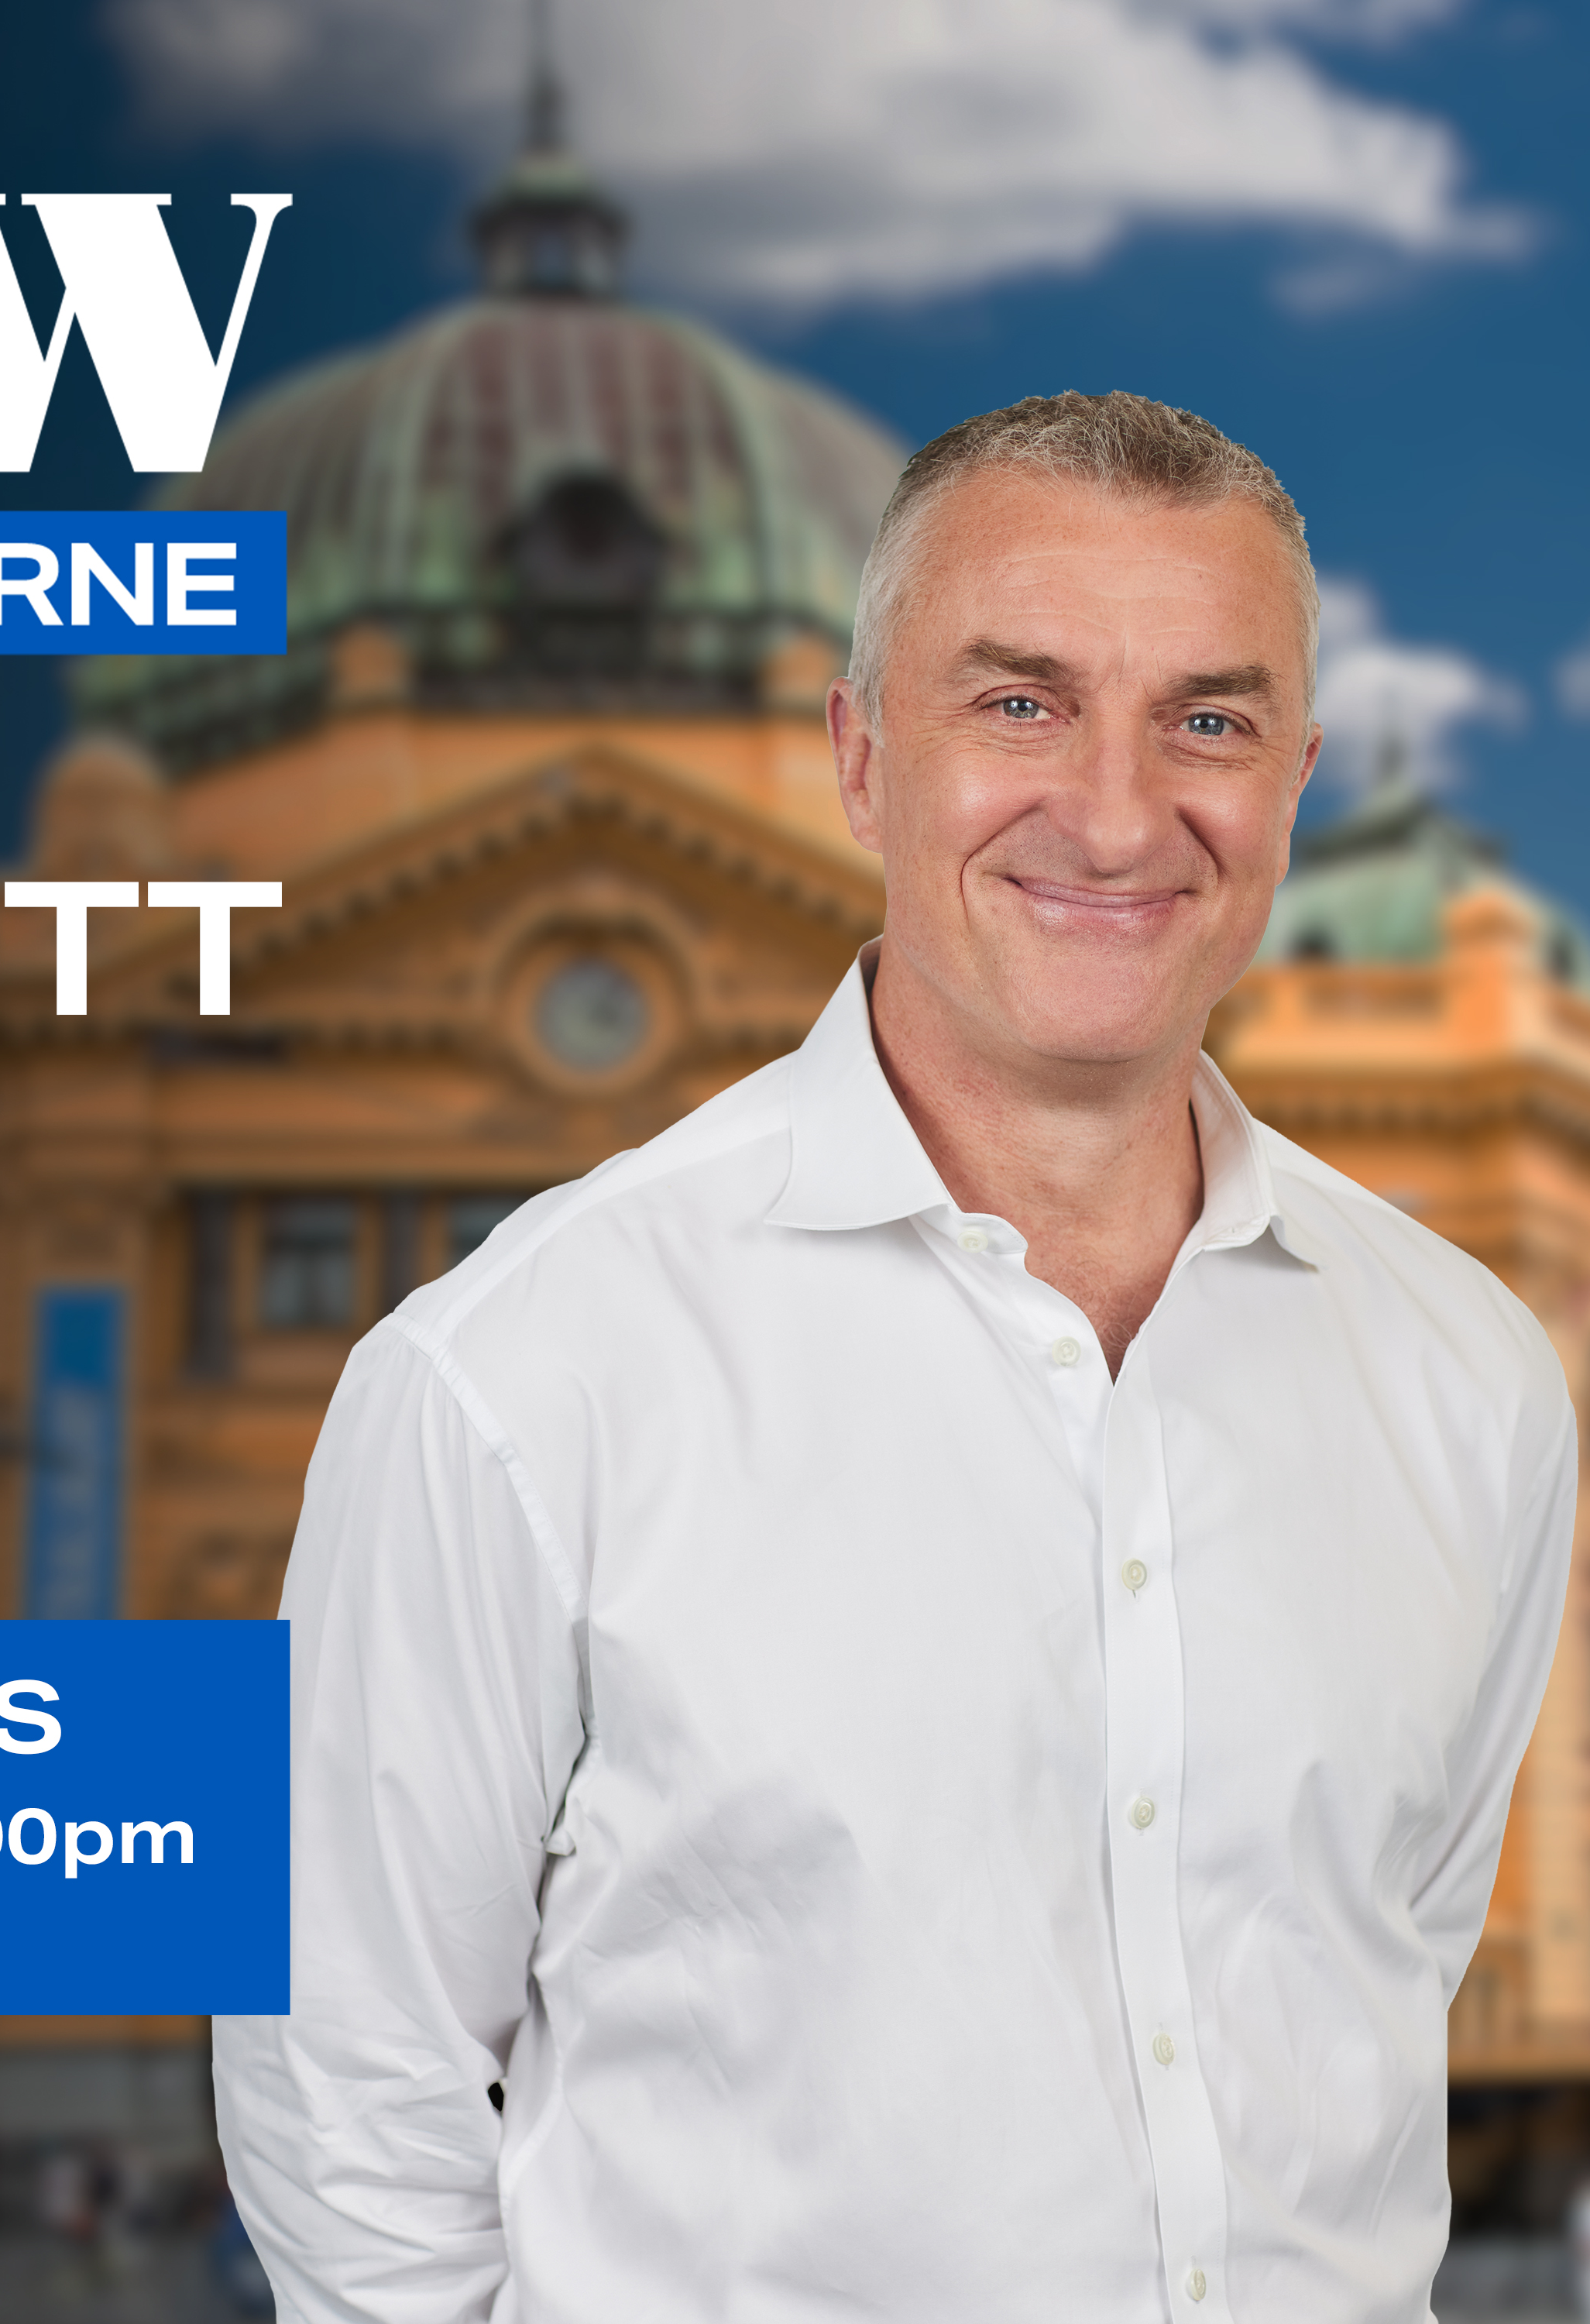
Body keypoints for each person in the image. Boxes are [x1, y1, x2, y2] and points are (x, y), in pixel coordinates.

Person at [211, 392, 1578, 2322]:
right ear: (859, 760)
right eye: (1017, 703)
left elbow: (1377, 1971)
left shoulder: (1466, 1374)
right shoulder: (510, 1376)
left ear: (1294, 784)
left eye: (1209, 718)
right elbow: (344, 2075)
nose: (1117, 811)